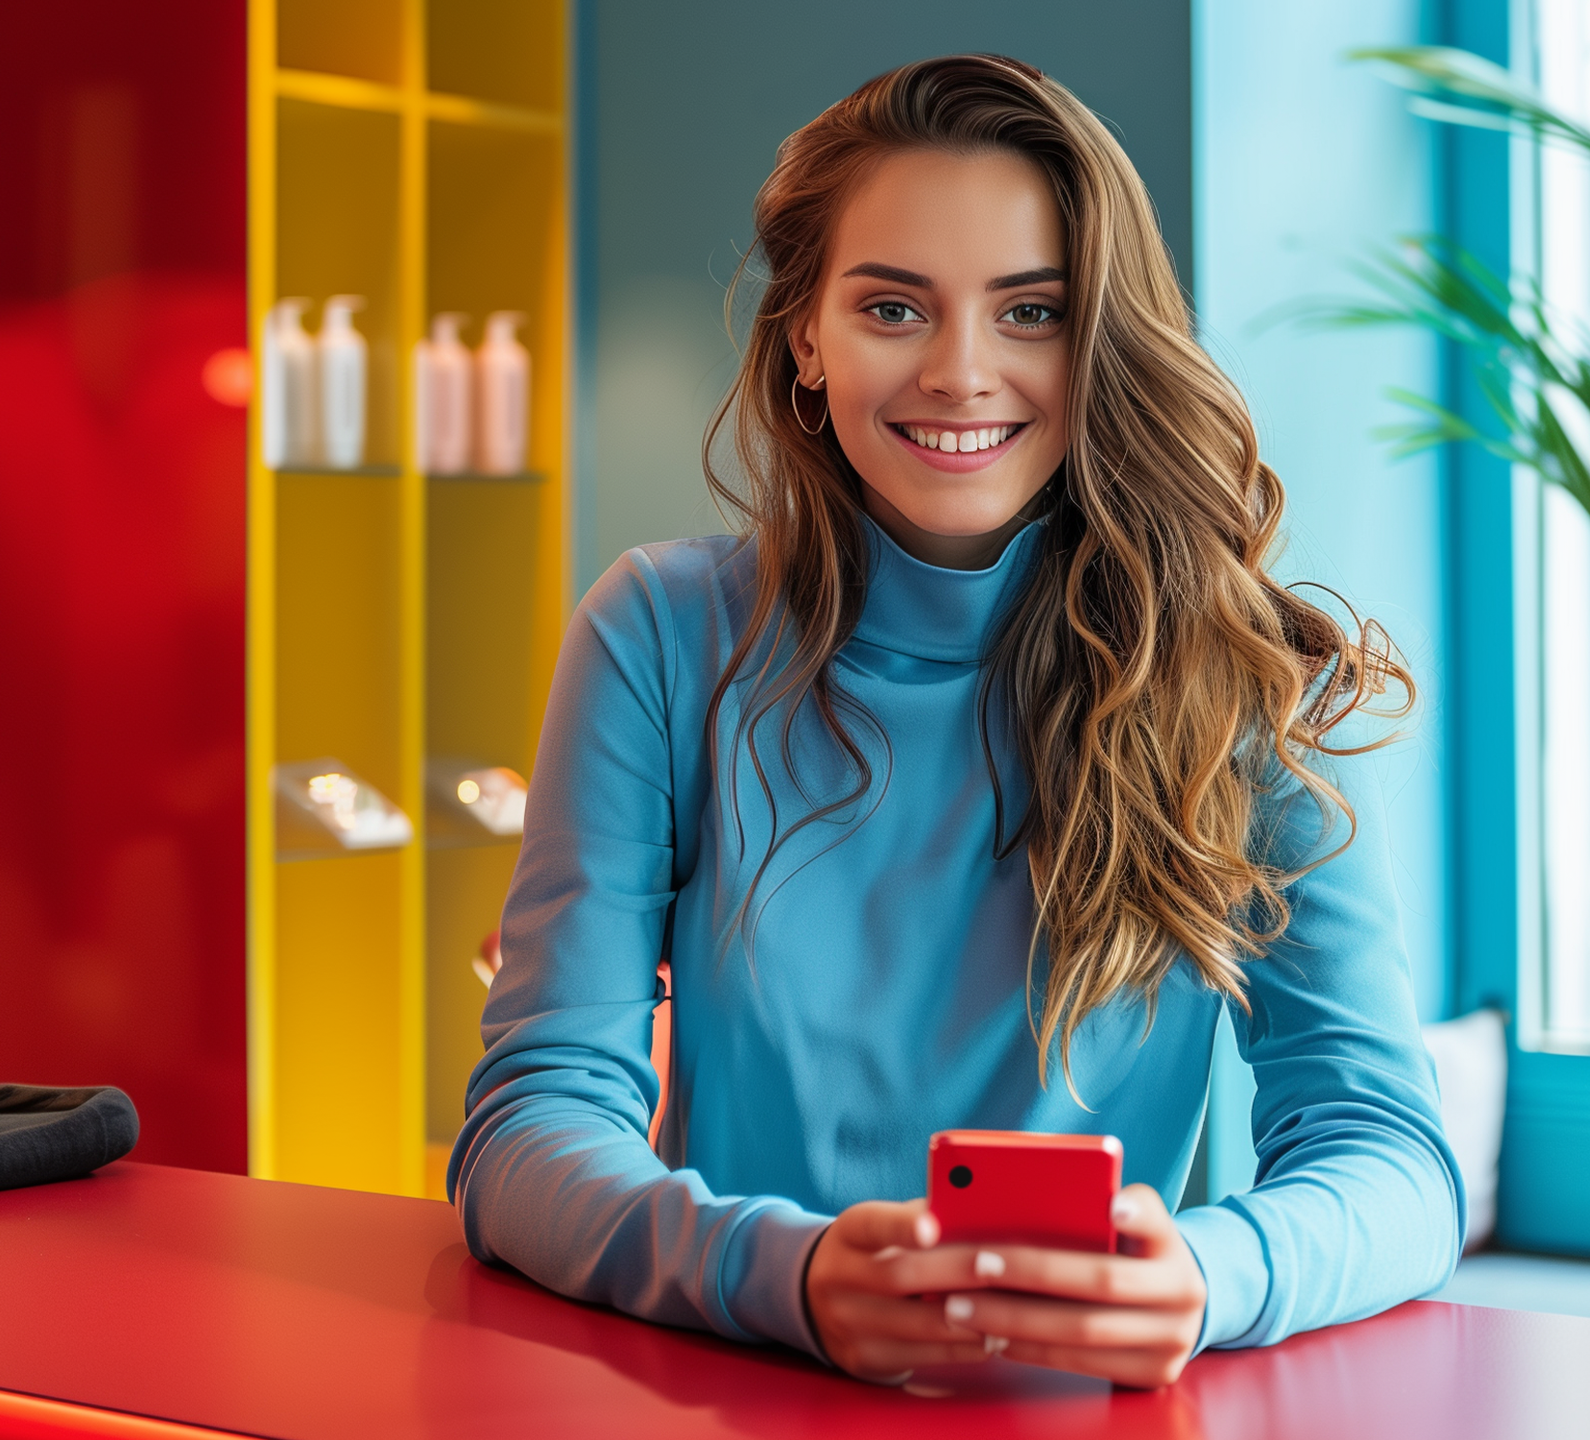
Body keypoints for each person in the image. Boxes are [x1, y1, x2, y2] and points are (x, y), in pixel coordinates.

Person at [450, 53, 1462, 1390]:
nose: (962, 372)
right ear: (807, 336)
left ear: (1098, 339)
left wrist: (1217, 1277)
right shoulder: (660, 636)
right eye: (892, 307)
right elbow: (526, 1129)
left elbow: (1393, 1157)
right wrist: (787, 1275)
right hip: (738, 1389)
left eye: (1032, 311)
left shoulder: (1242, 677)